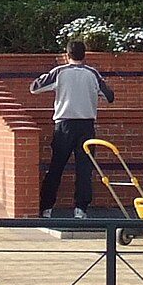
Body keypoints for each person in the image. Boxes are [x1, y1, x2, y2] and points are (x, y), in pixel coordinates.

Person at [32, 39, 114, 218]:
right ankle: (81, 209)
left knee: (56, 166)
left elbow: (35, 88)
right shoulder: (93, 73)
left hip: (64, 124)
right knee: (84, 169)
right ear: (84, 55)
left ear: (67, 55)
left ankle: (46, 207)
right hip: (87, 125)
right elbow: (109, 96)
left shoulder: (59, 72)